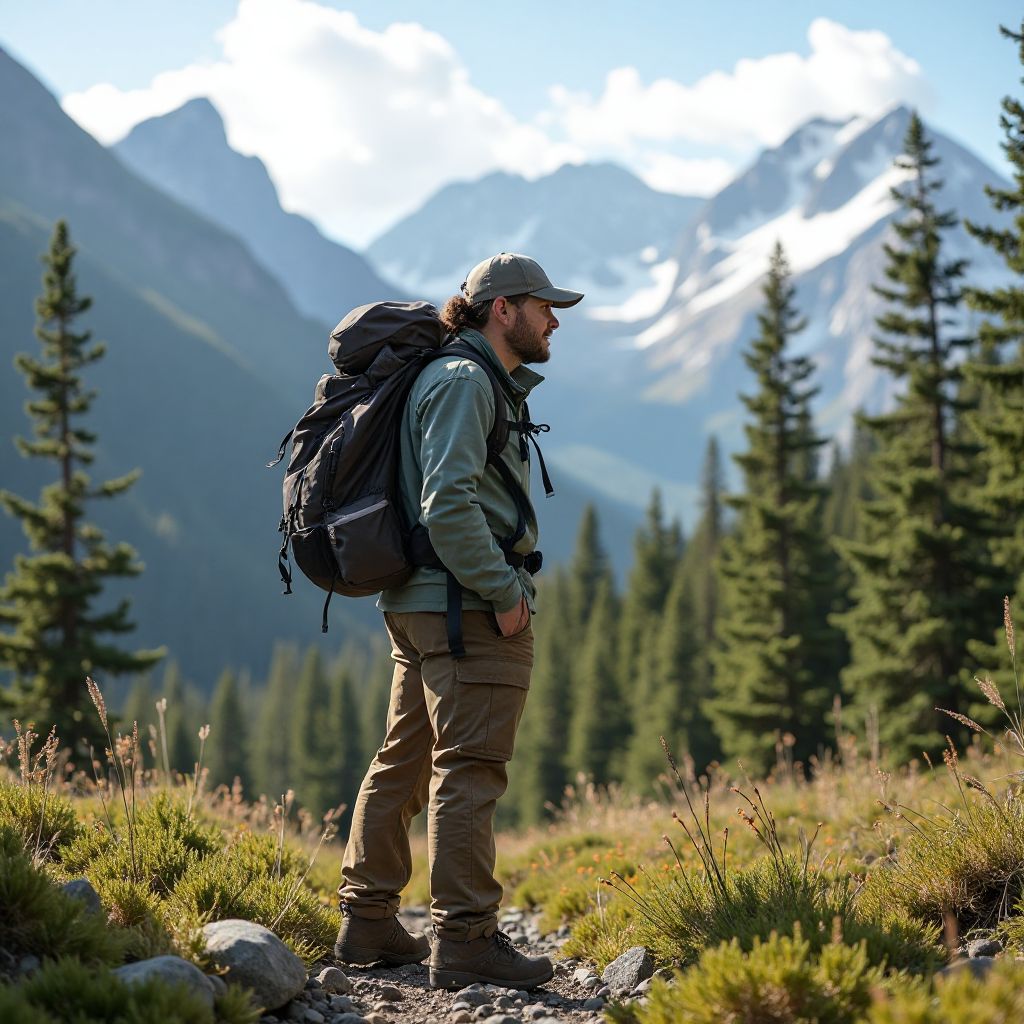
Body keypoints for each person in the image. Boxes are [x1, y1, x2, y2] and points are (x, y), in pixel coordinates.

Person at [334, 253, 583, 990]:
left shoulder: (449, 376)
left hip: (421, 606)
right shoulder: (467, 382)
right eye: (542, 306)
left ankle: (368, 921)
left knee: (405, 761)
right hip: (464, 609)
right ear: (501, 309)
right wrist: (504, 592)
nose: (553, 320)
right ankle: (467, 936)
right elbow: (448, 503)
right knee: (469, 770)